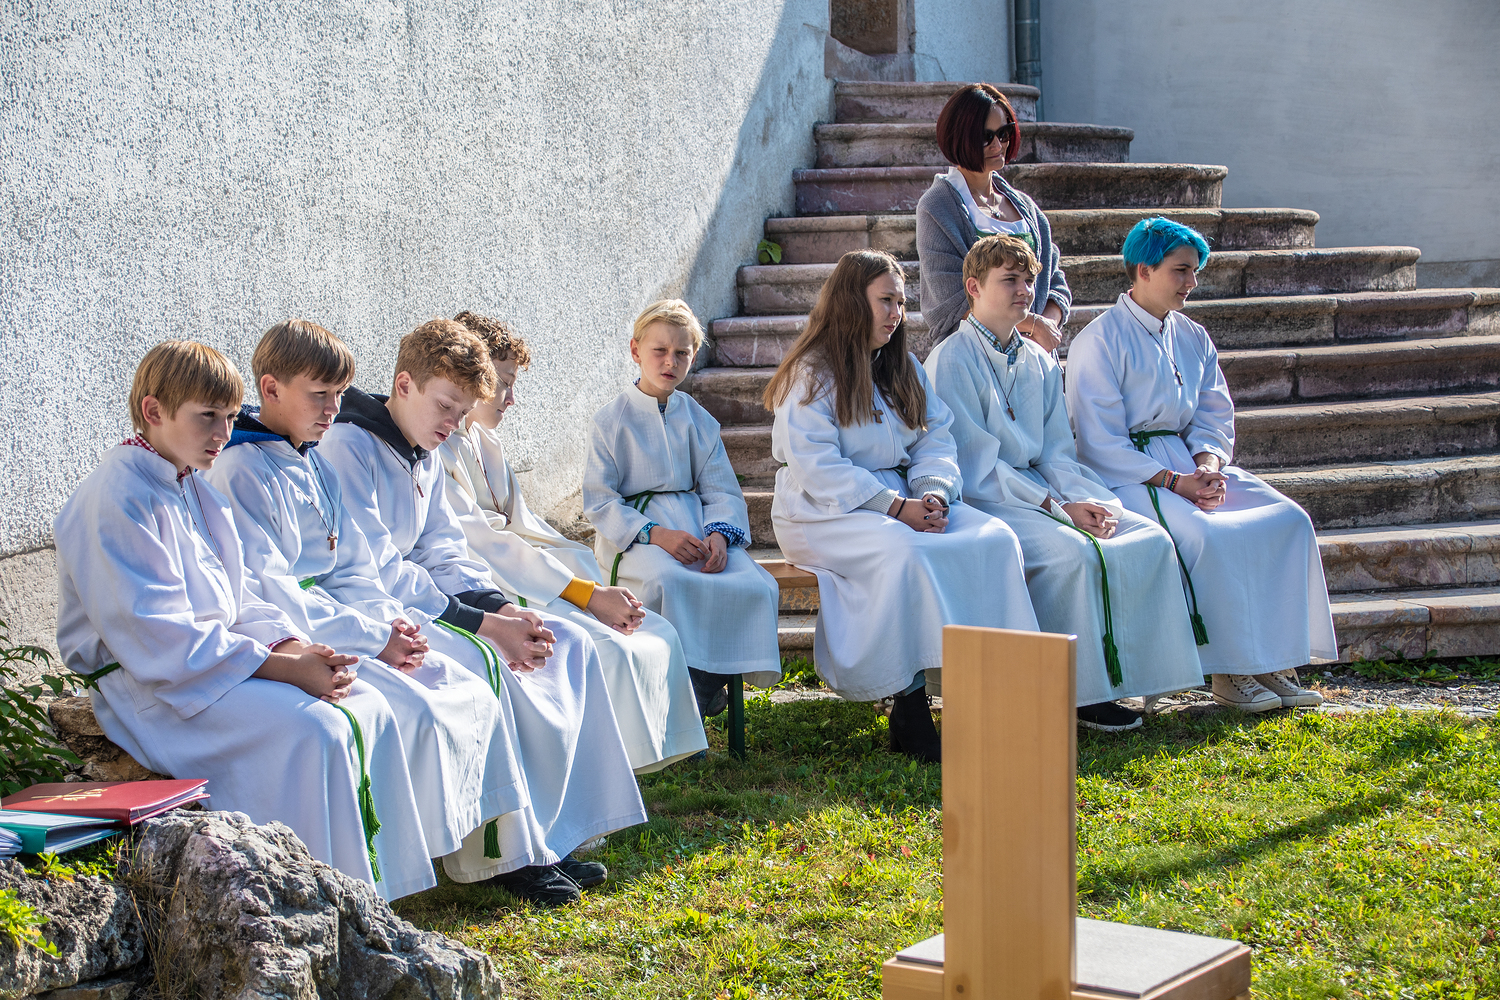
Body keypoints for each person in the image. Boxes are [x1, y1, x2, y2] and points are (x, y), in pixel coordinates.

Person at [53, 341, 434, 900]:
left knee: (367, 703)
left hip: (213, 662)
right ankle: (304, 896)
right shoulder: (117, 497)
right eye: (207, 416)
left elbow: (243, 596)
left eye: (231, 417)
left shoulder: (192, 485)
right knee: (317, 729)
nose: (223, 433)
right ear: (154, 411)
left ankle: (371, 896)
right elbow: (158, 639)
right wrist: (280, 667)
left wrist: (296, 648)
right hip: (151, 688)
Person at [203, 318, 554, 899]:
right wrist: (373, 637)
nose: (333, 409)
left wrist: (392, 624)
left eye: (339, 395)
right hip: (304, 630)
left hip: (350, 616)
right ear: (270, 389)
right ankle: (390, 877)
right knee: (411, 707)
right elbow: (276, 591)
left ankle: (497, 851)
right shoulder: (242, 468)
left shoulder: (312, 460)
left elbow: (354, 568)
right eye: (321, 395)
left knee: (461, 687)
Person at [319, 318, 647, 905]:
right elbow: (377, 570)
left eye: (463, 411)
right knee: (489, 666)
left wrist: (502, 608)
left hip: (429, 600)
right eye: (445, 406)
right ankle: (505, 856)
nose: (452, 423)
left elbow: (445, 552)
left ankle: (551, 835)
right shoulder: (350, 446)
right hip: (377, 611)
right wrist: (485, 625)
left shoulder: (423, 451)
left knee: (566, 642)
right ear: (403, 385)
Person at [762, 250, 1037, 762]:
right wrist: (894, 507)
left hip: (906, 496)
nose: (897, 313)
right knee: (905, 553)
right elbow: (816, 463)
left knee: (996, 539)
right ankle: (908, 703)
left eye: (902, 302)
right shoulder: (811, 372)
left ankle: (996, 691)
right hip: (823, 510)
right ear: (851, 302)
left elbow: (935, 436)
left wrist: (932, 492)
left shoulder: (903, 366)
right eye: (885, 300)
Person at [925, 236, 1204, 731]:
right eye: (1009, 280)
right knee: (1071, 556)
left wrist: (1082, 499)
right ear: (973, 287)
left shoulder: (1039, 360)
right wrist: (1057, 508)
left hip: (1045, 488)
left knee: (1148, 538)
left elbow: (1057, 450)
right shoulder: (951, 360)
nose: (1024, 291)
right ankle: (1077, 695)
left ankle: (1128, 680)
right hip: (991, 498)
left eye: (1029, 281)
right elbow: (975, 464)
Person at [1065, 218, 1335, 711]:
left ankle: (1272, 659)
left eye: (1195, 271)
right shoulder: (1099, 340)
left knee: (1289, 520)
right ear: (1143, 270)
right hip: (1131, 474)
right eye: (1181, 270)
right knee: (1207, 534)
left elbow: (1213, 412)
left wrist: (1208, 466)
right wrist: (1177, 482)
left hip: (1191, 464)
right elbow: (1099, 441)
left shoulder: (1193, 335)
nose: (1192, 282)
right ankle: (1229, 670)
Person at [439, 310, 707, 771]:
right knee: (599, 645)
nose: (510, 399)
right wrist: (584, 593)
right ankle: (611, 767)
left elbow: (526, 526)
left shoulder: (486, 442)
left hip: (532, 571)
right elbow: (485, 542)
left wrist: (588, 580)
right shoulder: (440, 447)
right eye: (503, 384)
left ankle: (660, 747)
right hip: (495, 584)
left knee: (656, 630)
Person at [583, 300, 782, 718]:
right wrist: (656, 534)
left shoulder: (698, 419)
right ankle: (682, 692)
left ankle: (701, 686)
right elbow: (600, 500)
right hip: (637, 536)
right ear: (636, 350)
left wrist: (719, 535)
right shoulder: (610, 421)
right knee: (669, 582)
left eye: (682, 352)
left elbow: (721, 488)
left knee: (756, 585)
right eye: (659, 350)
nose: (670, 362)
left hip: (695, 526)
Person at [916, 83, 1072, 350]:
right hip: (972, 356)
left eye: (1004, 132)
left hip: (1034, 357)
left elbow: (1054, 282)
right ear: (960, 138)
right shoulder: (937, 206)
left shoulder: (1026, 207)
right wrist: (1032, 325)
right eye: (985, 137)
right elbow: (951, 302)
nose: (998, 145)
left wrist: (1045, 330)